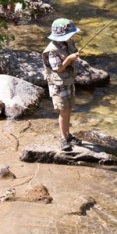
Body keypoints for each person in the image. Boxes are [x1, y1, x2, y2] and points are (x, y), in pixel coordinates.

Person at [42, 18, 82, 151]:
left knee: (69, 108)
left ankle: (68, 135)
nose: (72, 37)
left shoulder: (68, 42)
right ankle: (63, 138)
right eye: (70, 35)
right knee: (63, 111)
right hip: (58, 85)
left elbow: (72, 53)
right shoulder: (52, 50)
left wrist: (75, 56)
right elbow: (58, 69)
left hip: (68, 81)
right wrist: (69, 59)